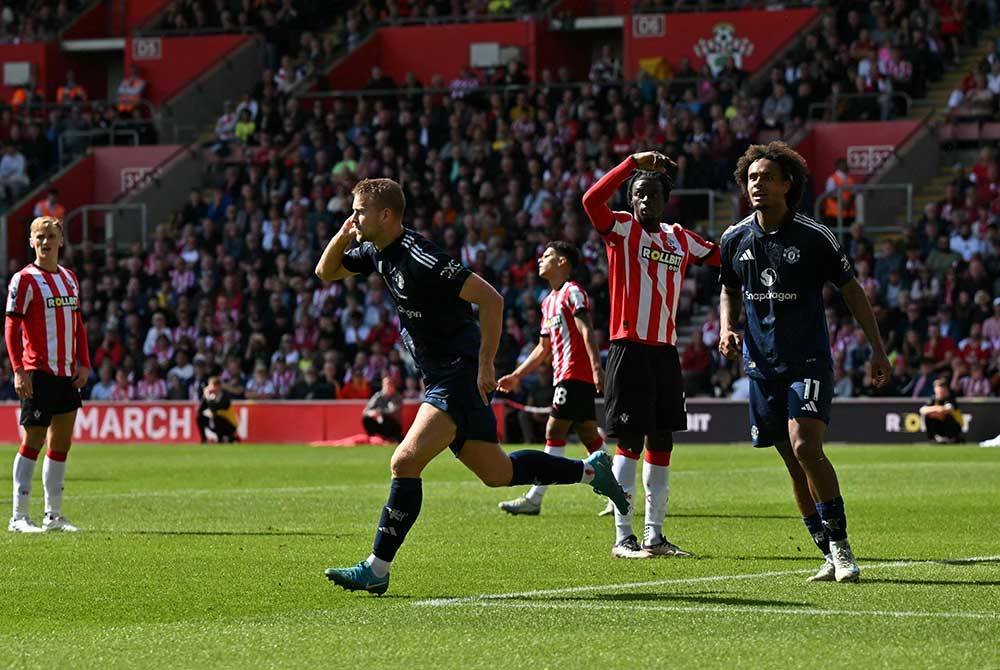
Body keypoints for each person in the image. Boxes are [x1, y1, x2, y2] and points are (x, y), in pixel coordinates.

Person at [316, 178, 627, 595]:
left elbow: (492, 299)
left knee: (404, 462)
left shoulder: (422, 256)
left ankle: (377, 566)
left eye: (359, 211)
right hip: (441, 375)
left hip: (456, 374)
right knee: (498, 473)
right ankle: (591, 471)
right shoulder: (376, 251)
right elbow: (325, 272)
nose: (353, 217)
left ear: (386, 215)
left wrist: (485, 366)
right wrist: (342, 234)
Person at [718, 141, 891, 583]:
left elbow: (851, 290)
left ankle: (842, 547)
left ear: (786, 184)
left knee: (805, 447)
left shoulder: (814, 236)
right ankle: (825, 549)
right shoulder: (734, 239)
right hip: (761, 367)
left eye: (766, 178)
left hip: (808, 361)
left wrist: (877, 347)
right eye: (752, 178)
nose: (758, 185)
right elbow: (729, 288)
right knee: (791, 461)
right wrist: (727, 326)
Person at [582, 150, 721, 559]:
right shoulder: (621, 229)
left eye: (651, 195)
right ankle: (622, 536)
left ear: (664, 200)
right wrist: (630, 164)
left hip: (665, 353)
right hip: (628, 349)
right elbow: (591, 201)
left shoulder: (680, 238)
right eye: (638, 195)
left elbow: (722, 256)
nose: (644, 201)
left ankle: (654, 535)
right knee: (629, 440)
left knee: (661, 442)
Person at [496, 241, 607, 516]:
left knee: (553, 431)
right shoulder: (547, 302)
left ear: (562, 262)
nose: (540, 259)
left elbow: (586, 330)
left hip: (575, 374)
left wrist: (596, 367)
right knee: (589, 436)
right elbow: (543, 348)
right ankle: (622, 487)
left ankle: (535, 498)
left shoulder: (573, 292)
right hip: (563, 375)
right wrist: (517, 376)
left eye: (547, 255)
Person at [5, 217, 90, 533]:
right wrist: (18, 369)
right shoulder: (24, 280)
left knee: (62, 441)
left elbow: (78, 324)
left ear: (61, 240)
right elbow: (12, 326)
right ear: (31, 241)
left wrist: (84, 362)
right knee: (33, 439)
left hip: (66, 374)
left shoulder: (69, 278)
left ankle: (53, 515)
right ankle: (18, 517)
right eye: (39, 236)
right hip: (38, 372)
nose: (45, 241)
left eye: (51, 236)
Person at [919, 377, 964, 443]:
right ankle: (933, 438)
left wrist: (935, 411)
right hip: (939, 425)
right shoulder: (933, 399)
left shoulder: (950, 398)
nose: (939, 392)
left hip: (955, 426)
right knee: (928, 415)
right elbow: (922, 410)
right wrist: (936, 410)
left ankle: (951, 438)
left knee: (945, 415)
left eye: (941, 390)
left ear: (945, 390)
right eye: (938, 390)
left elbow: (947, 409)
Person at [197, 376, 240, 444]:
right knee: (200, 417)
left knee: (216, 418)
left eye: (212, 386)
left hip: (230, 425)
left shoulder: (225, 396)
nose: (210, 388)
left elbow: (214, 408)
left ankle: (225, 438)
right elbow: (200, 410)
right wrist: (204, 396)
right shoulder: (211, 396)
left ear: (218, 386)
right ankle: (204, 439)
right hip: (217, 422)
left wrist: (207, 396)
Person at [362, 375, 404, 441]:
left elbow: (393, 411)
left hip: (393, 425)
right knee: (366, 418)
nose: (388, 386)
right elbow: (366, 410)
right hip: (380, 422)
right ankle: (372, 439)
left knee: (387, 419)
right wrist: (372, 413)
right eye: (386, 384)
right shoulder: (378, 396)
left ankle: (392, 438)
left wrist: (380, 412)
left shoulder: (397, 397)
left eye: (390, 384)